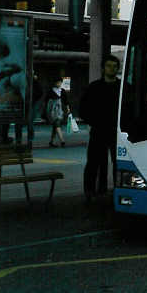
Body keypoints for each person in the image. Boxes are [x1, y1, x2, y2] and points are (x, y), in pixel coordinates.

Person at [80, 55, 121, 201]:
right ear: (103, 68)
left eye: (115, 66)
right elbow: (83, 109)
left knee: (119, 163)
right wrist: (94, 121)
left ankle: (118, 189)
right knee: (94, 162)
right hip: (99, 130)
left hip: (117, 132)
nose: (112, 69)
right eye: (109, 66)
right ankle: (90, 191)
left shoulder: (123, 88)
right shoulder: (94, 88)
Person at [45, 77, 70, 147]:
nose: (59, 84)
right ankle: (62, 140)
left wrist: (68, 109)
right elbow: (46, 101)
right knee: (57, 123)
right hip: (52, 111)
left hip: (60, 111)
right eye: (57, 82)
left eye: (60, 82)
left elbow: (66, 101)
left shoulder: (63, 91)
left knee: (55, 126)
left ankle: (51, 142)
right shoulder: (50, 91)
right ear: (54, 83)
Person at [28, 72, 44, 139]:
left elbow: (40, 92)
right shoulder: (33, 83)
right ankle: (30, 136)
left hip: (32, 103)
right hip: (32, 102)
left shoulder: (34, 83)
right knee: (30, 120)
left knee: (30, 120)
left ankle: (30, 136)